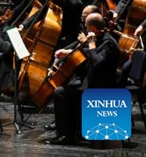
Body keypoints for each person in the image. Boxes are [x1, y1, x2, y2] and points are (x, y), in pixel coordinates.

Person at [45, 12, 120, 145]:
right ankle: (73, 132)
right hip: (92, 81)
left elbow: (97, 63)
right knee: (68, 86)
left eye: (86, 27)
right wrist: (69, 52)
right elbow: (89, 55)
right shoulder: (101, 38)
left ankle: (66, 135)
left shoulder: (109, 44)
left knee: (60, 93)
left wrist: (91, 45)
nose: (85, 30)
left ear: (93, 30)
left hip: (100, 86)